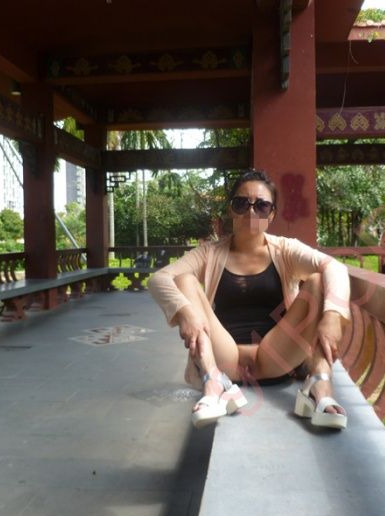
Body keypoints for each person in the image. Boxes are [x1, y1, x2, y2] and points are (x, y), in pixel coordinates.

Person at [147, 170, 351, 429]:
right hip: (226, 360)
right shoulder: (210, 253)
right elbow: (159, 279)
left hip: (276, 356)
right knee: (184, 280)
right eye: (241, 203)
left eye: (262, 205)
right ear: (231, 209)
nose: (251, 212)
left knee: (319, 281)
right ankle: (213, 382)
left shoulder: (285, 249)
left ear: (272, 214)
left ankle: (320, 382)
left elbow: (335, 267)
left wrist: (332, 316)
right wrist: (186, 313)